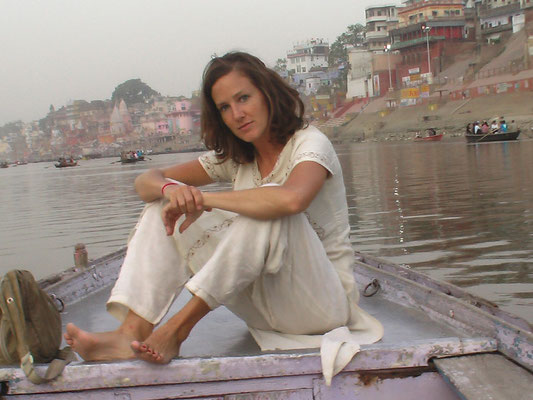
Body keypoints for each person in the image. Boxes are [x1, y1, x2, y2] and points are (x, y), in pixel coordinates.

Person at [64, 52, 383, 372]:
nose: (238, 114)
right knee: (163, 204)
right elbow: (145, 181)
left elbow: (291, 200)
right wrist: (172, 191)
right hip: (265, 310)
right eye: (225, 108)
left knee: (269, 204)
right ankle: (130, 333)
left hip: (323, 306)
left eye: (244, 98)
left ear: (267, 94)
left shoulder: (310, 143)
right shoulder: (237, 157)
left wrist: (202, 199)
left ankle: (177, 329)